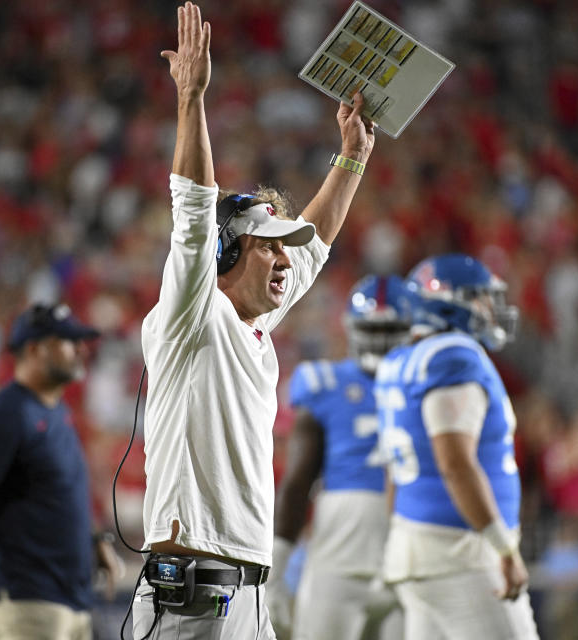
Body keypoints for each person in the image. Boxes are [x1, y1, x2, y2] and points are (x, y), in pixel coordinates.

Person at [133, 2, 375, 638]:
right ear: (230, 253)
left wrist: (351, 156)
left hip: (249, 597)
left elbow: (314, 243)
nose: (282, 259)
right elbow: (193, 214)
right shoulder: (193, 315)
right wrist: (191, 97)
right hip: (188, 596)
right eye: (267, 244)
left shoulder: (255, 328)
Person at [374, 254, 539, 639]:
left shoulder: (398, 361)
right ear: (450, 301)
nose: (490, 308)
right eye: (481, 297)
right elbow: (455, 463)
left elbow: (393, 474)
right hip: (460, 555)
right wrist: (503, 547)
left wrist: (398, 534)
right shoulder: (452, 355)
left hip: (417, 551)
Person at [0, 302, 120, 640]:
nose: (80, 349)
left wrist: (95, 542)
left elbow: (64, 492)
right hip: (28, 597)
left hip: (65, 596)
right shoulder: (10, 411)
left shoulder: (56, 410)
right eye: (67, 341)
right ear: (35, 349)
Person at [267, 274, 412, 640]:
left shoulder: (426, 383)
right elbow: (299, 482)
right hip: (352, 548)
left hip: (404, 546)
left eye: (389, 329)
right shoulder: (323, 382)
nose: (379, 340)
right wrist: (277, 568)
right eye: (371, 329)